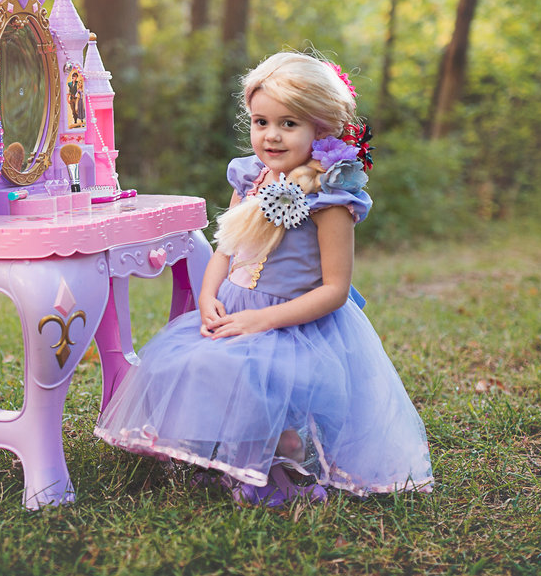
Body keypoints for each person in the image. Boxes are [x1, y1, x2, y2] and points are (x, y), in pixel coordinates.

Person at [94, 51, 433, 506]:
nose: (271, 135)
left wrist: (262, 321)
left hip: (294, 320)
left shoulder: (331, 200)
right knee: (195, 365)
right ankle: (232, 459)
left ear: (322, 129)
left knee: (261, 378)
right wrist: (208, 295)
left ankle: (283, 463)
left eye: (288, 123)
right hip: (236, 308)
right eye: (261, 122)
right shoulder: (250, 178)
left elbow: (335, 290)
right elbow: (226, 248)